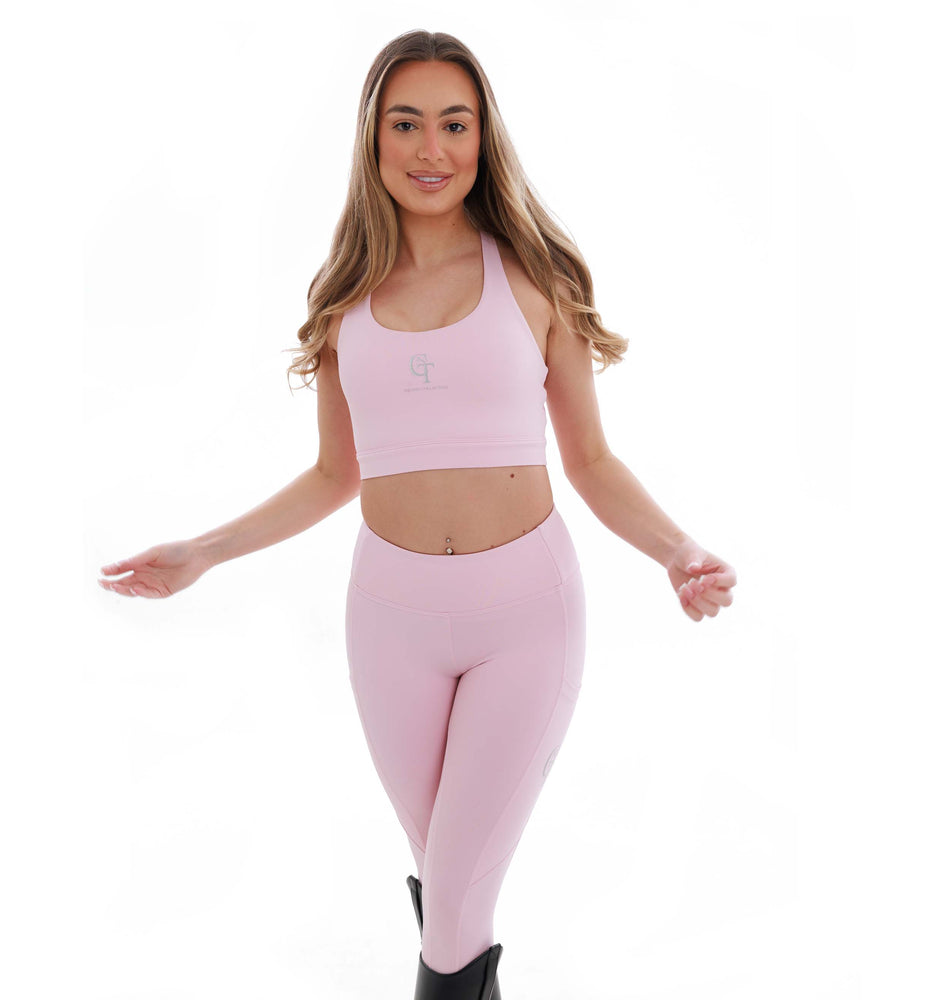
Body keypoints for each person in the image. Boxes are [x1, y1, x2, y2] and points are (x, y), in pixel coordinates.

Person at [97, 29, 737, 1000]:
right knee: (446, 885)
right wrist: (203, 551)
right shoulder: (343, 298)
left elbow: (593, 461)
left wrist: (678, 550)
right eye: (406, 124)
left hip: (525, 616)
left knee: (451, 910)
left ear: (484, 138)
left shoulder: (537, 278)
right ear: (373, 139)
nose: (431, 149)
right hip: (388, 622)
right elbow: (333, 473)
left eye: (454, 124)